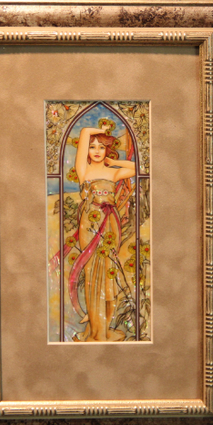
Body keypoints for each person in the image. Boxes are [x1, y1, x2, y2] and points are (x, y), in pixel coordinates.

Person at [68, 126, 136, 341]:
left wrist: (113, 162)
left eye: (101, 147)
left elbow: (137, 167)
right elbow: (85, 131)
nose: (96, 151)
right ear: (86, 150)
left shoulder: (113, 172)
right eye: (92, 147)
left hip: (110, 224)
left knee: (109, 274)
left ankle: (105, 328)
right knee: (93, 275)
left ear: (108, 150)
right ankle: (96, 331)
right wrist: (100, 131)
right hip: (90, 224)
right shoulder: (83, 170)